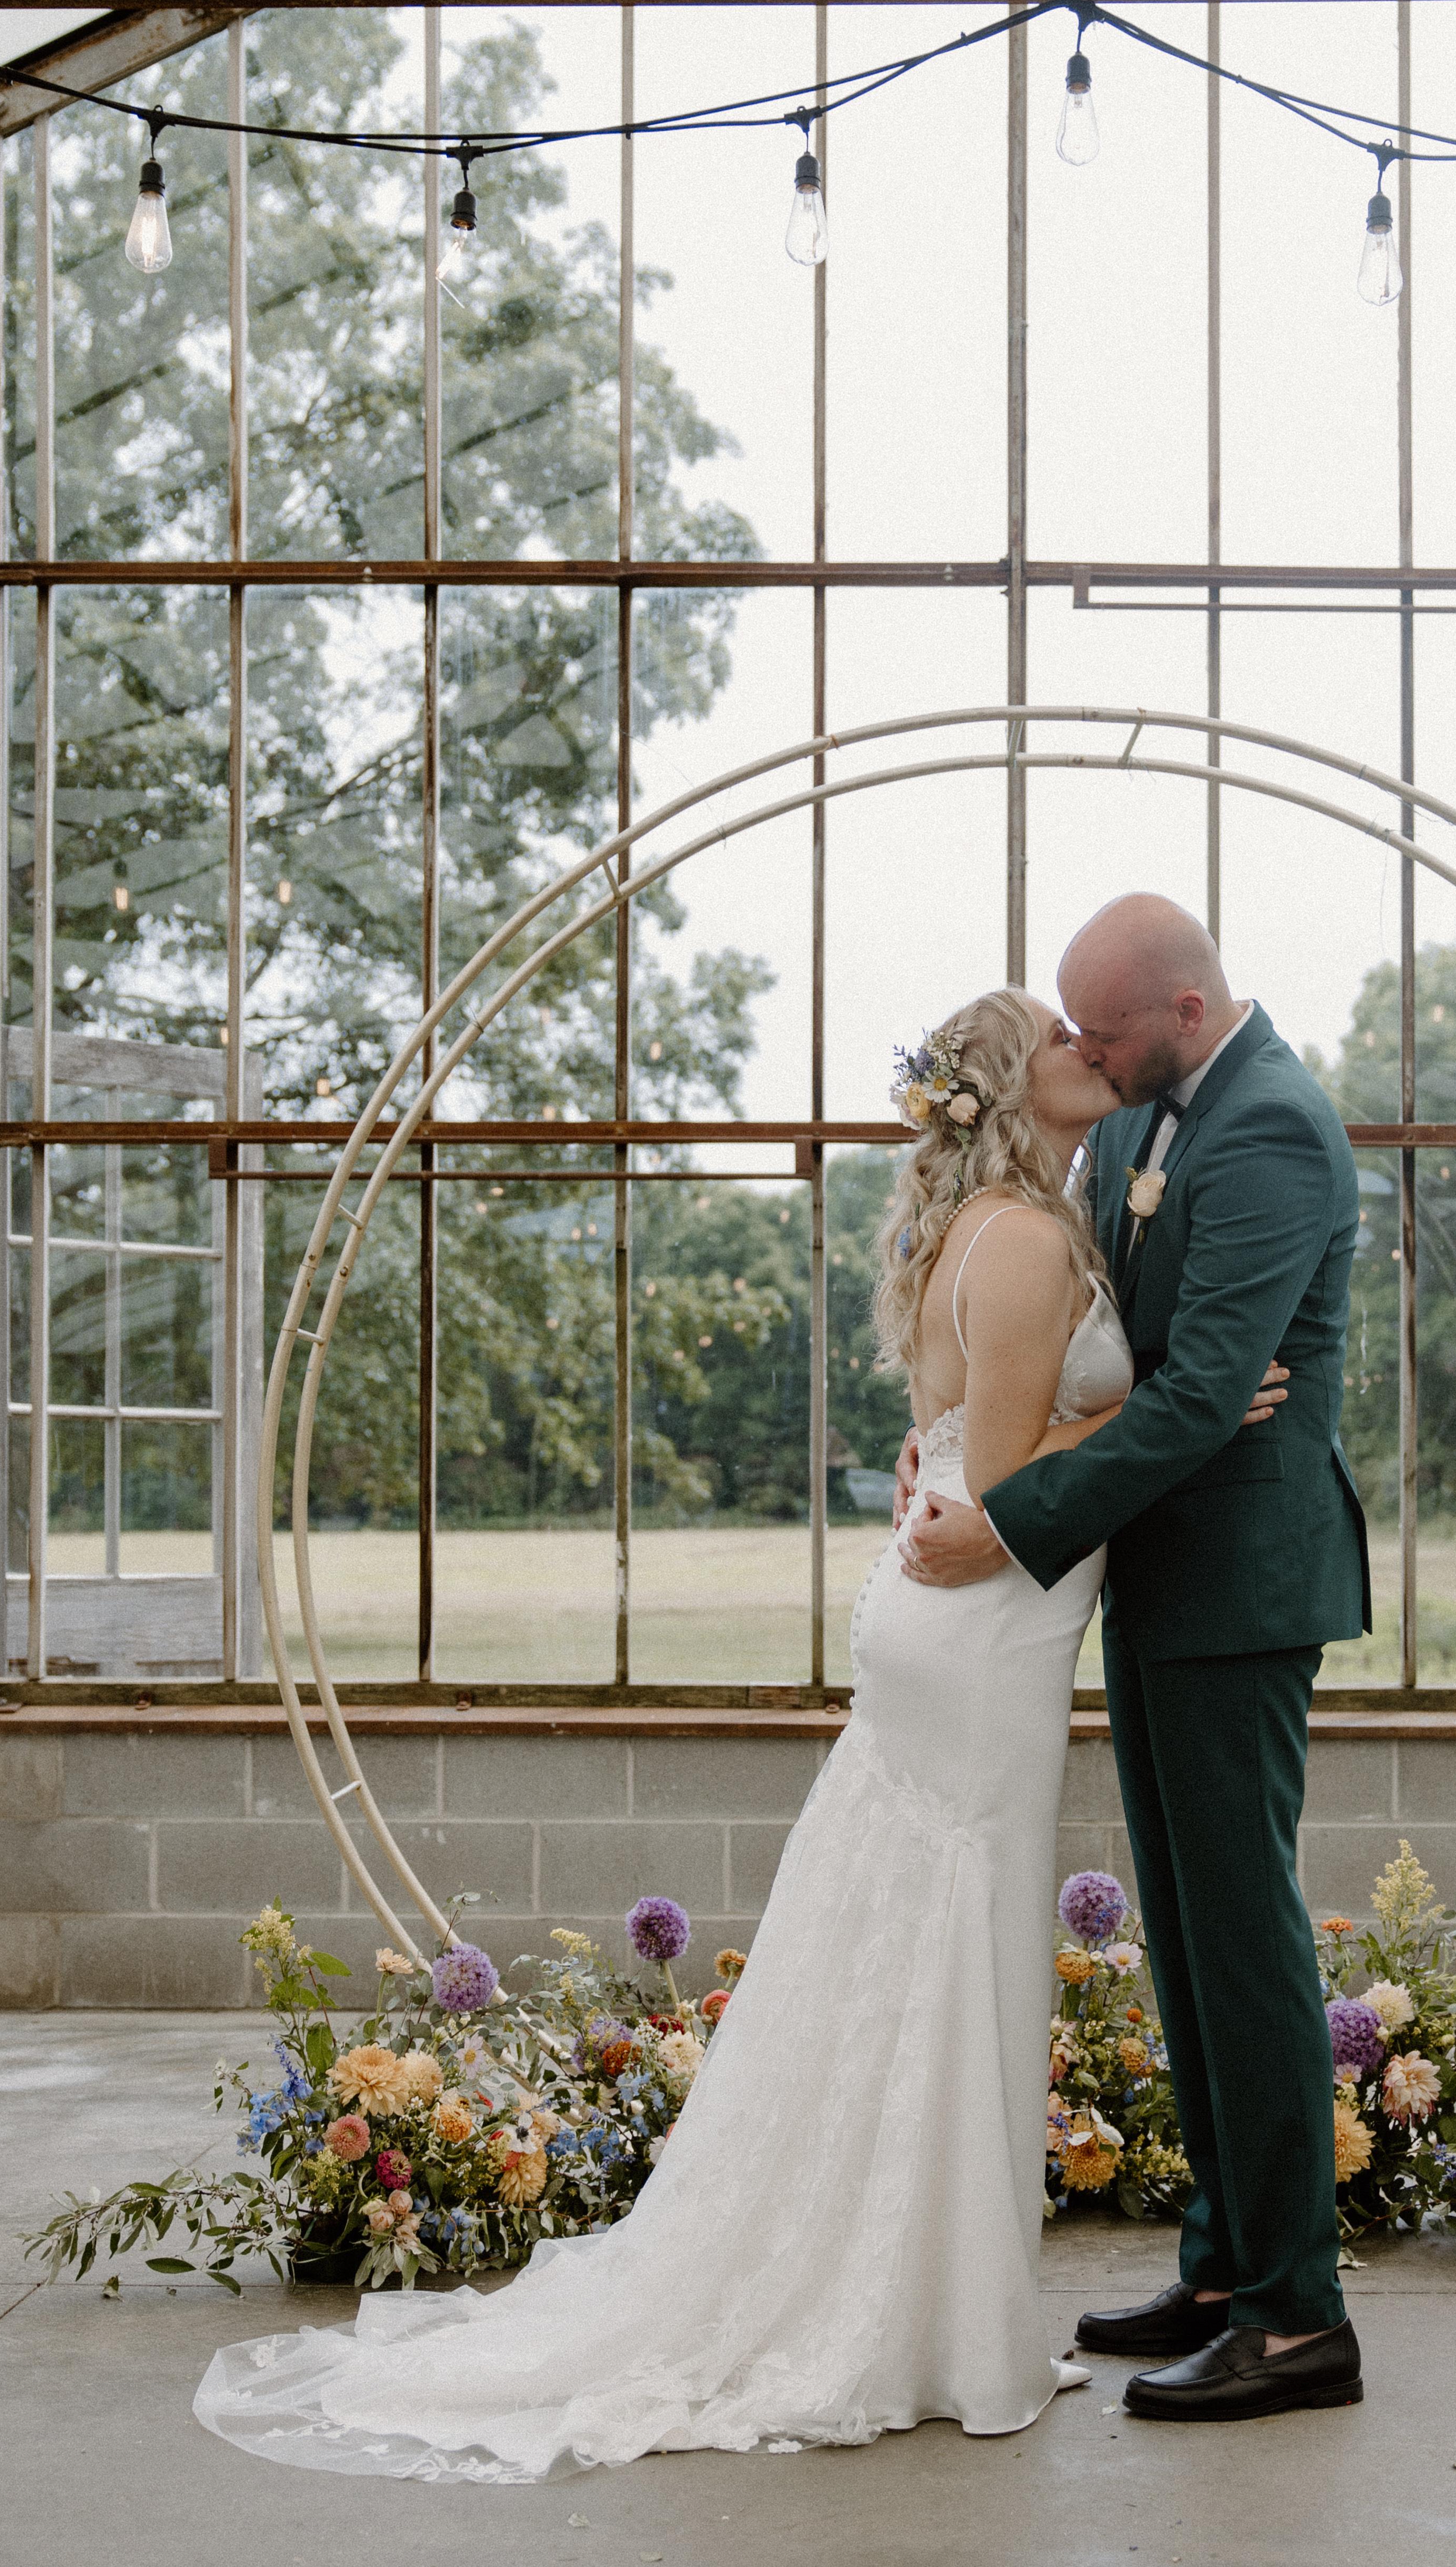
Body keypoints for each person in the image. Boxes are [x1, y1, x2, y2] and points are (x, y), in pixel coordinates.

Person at [193, 984, 1286, 2478]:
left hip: (967, 1627)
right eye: (1056, 1040)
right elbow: (1010, 1474)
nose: (1086, 1050)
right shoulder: (1025, 1241)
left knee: (920, 1951)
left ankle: (921, 2303)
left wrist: (1102, 1418)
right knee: (952, 1950)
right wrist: (1184, 1403)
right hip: (979, 1632)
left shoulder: (1001, 1226)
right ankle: (917, 2320)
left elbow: (962, 1441)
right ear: (1004, 1087)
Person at [899, 894, 1370, 2424]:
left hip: (1241, 1587)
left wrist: (1005, 1521)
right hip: (1159, 1575)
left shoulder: (1270, 1124)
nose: (1087, 1057)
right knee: (1185, 1943)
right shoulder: (1142, 1122)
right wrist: (969, 1447)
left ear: (1183, 1009)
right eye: (1073, 1036)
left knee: (1243, 1945)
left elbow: (1203, 1390)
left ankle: (1296, 2321)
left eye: (1102, 1033)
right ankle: (1223, 2270)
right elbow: (1142, 1372)